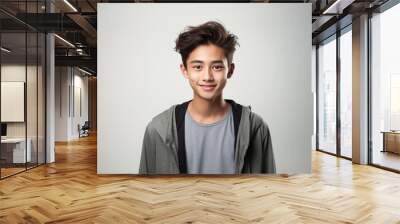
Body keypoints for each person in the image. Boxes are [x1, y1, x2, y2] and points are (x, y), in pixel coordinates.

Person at [139, 21, 275, 174]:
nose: (207, 76)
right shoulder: (158, 130)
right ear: (184, 71)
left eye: (217, 67)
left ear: (230, 70)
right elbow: (145, 191)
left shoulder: (256, 128)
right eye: (198, 67)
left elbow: (268, 189)